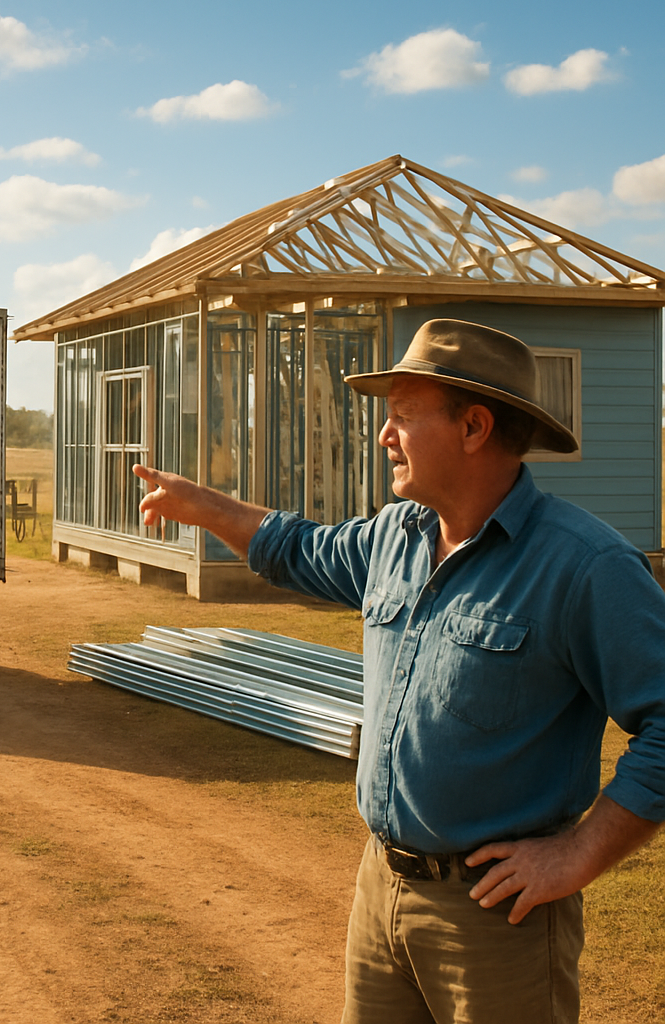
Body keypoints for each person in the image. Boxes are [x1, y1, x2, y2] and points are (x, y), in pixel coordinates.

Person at [133, 318, 665, 1024]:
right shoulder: (396, 537)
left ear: (474, 427)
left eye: (403, 417)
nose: (385, 435)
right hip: (380, 890)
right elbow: (296, 547)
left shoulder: (584, 566)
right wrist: (204, 507)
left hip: (493, 918)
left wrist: (578, 856)